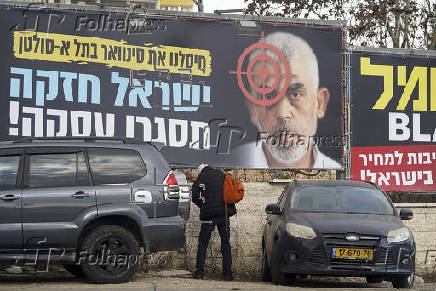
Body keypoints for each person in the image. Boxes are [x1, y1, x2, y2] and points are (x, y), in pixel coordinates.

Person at [233, 31, 341, 169]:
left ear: (320, 103)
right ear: (253, 108)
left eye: (295, 94)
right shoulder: (232, 162)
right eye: (269, 96)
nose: (283, 114)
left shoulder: (337, 179)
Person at [191, 163, 236, 280]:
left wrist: (203, 205)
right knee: (225, 243)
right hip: (224, 214)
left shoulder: (201, 178)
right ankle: (227, 274)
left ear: (201, 171)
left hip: (208, 216)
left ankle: (199, 272)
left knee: (203, 243)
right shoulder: (223, 175)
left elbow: (195, 196)